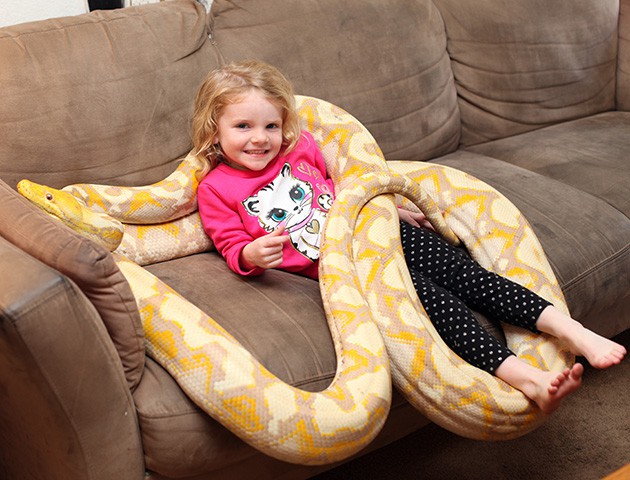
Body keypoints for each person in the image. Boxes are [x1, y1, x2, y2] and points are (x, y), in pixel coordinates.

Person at [194, 60, 626, 414]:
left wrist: (390, 209)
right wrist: (251, 254)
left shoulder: (301, 147)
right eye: (243, 126)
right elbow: (230, 245)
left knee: (470, 276)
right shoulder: (215, 189)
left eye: (271, 126)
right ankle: (526, 378)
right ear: (214, 130)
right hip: (348, 266)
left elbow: (343, 187)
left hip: (382, 229)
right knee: (436, 304)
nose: (260, 138)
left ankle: (571, 330)